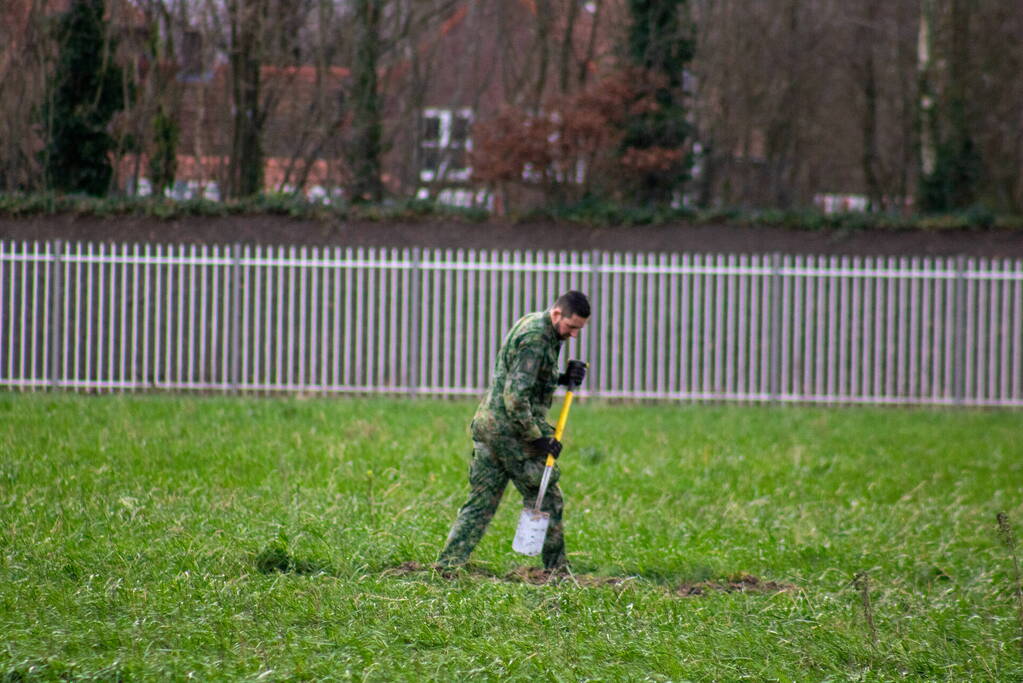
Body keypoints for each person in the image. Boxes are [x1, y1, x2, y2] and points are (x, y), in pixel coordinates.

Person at [437, 290, 591, 571]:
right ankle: (557, 572)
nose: (574, 335)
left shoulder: (536, 324)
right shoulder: (536, 338)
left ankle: (448, 566)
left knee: (481, 502)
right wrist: (539, 438)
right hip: (512, 433)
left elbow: (529, 377)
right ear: (558, 314)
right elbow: (516, 398)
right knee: (547, 497)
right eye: (571, 327)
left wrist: (562, 378)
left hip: (490, 426)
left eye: (579, 329)